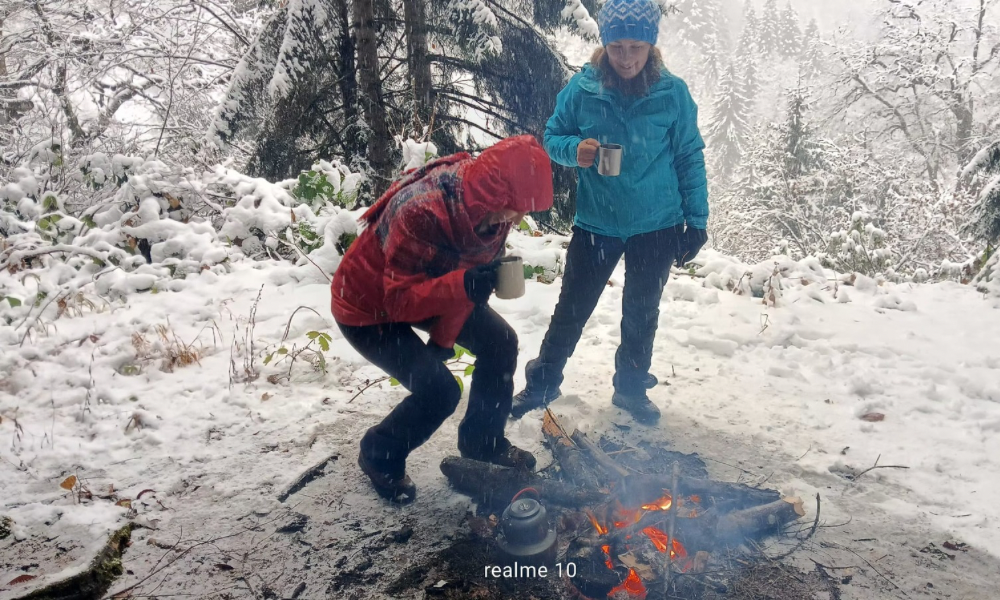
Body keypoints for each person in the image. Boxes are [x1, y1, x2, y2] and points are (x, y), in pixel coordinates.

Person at [510, 0, 709, 425]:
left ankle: (631, 390)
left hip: (657, 224)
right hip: (597, 223)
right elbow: (552, 136)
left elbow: (690, 156)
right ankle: (542, 384)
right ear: (604, 45)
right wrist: (572, 151)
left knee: (641, 314)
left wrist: (697, 221)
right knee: (572, 309)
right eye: (617, 47)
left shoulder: (672, 94)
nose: (626, 58)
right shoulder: (582, 91)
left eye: (636, 46)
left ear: (651, 45)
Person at [331, 135, 554, 503]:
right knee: (440, 391)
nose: (518, 218)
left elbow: (461, 277)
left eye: (524, 210)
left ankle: (483, 445)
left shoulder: (492, 216)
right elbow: (400, 301)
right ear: (492, 193)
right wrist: (465, 285)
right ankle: (378, 453)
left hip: (428, 288)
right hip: (366, 307)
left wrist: (442, 342)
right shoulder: (422, 211)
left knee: (500, 343)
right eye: (516, 207)